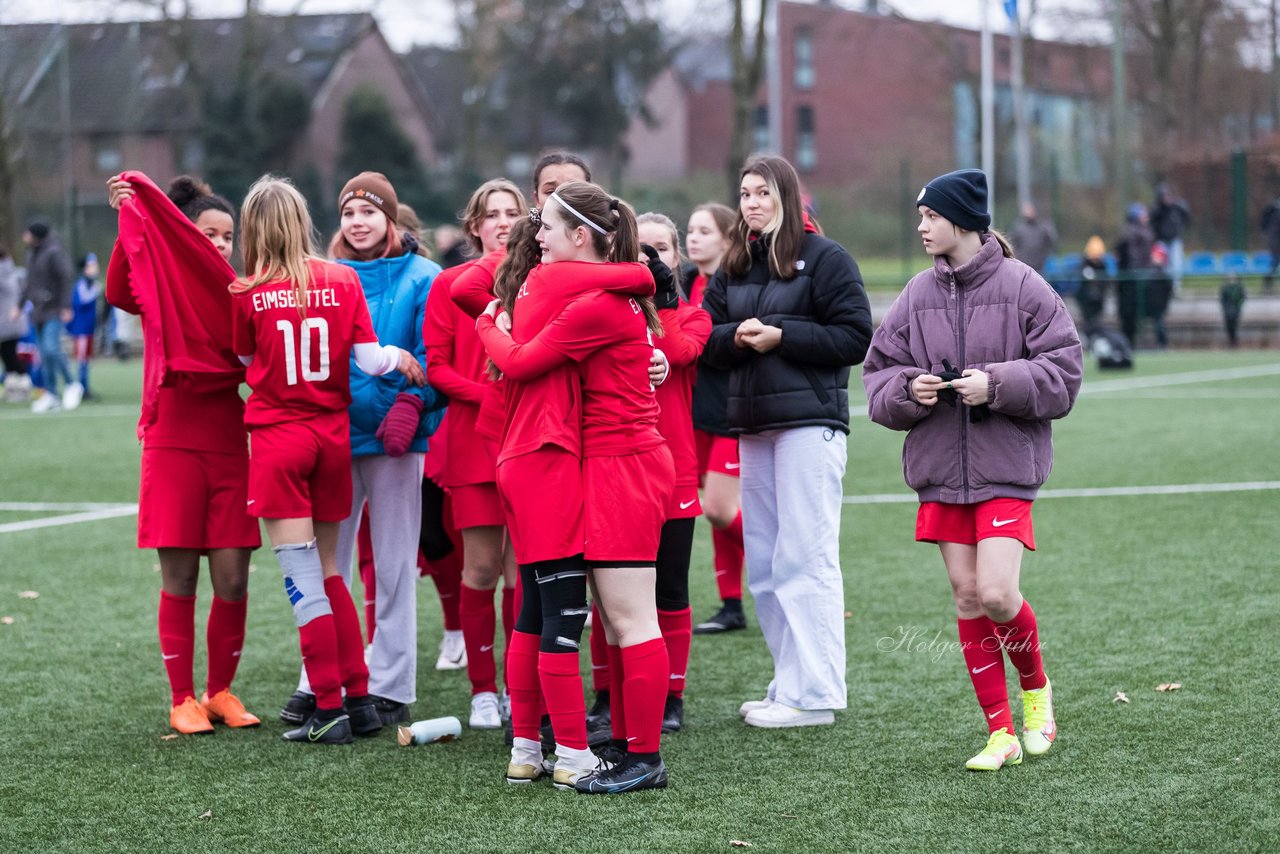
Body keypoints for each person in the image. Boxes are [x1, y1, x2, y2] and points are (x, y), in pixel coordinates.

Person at [863, 168, 1083, 772]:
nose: (921, 226)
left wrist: (999, 384)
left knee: (996, 591)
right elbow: (878, 378)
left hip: (1005, 467)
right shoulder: (914, 294)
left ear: (961, 220)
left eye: (930, 216)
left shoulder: (1025, 287)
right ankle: (1000, 732)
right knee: (966, 597)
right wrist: (912, 389)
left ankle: (1037, 696)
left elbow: (1064, 375)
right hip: (939, 472)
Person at [473, 186, 672, 794]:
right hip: (605, 462)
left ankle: (645, 758)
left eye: (549, 228)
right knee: (609, 616)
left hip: (626, 464)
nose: (537, 238)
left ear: (581, 236)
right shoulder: (603, 290)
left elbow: (523, 359)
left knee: (631, 616)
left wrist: (489, 322)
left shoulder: (595, 302)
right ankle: (618, 745)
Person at [229, 175, 425, 745]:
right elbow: (369, 358)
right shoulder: (341, 279)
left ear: (253, 230)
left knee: (301, 576)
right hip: (332, 438)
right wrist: (401, 358)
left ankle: (330, 704)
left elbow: (247, 361)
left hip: (279, 438)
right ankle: (360, 697)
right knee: (334, 569)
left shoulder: (245, 292)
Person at [701, 155, 872, 729]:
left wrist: (782, 336)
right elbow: (707, 336)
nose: (751, 202)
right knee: (768, 566)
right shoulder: (735, 264)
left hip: (808, 425)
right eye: (745, 193)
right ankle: (789, 683)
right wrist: (739, 340)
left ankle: (817, 694)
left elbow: (854, 337)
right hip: (753, 425)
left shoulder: (827, 258)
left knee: (807, 557)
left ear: (788, 197)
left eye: (762, 192)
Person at [279, 172, 445, 729]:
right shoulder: (322, 276)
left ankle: (392, 682)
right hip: (329, 435)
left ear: (391, 219)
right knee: (327, 565)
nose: (358, 222)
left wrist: (415, 404)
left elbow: (434, 357)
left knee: (395, 564)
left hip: (397, 439)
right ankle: (318, 677)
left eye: (369, 212)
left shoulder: (425, 276)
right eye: (349, 212)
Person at [105, 172, 262, 735]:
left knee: (233, 579)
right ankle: (181, 698)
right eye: (209, 234)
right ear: (185, 237)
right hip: (171, 439)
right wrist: (132, 226)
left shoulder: (239, 290)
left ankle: (219, 691)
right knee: (180, 579)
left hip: (228, 441)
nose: (220, 245)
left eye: (227, 236)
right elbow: (121, 291)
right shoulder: (164, 290)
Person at [423, 178, 528, 729]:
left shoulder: (540, 279)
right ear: (474, 226)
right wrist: (485, 393)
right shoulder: (450, 284)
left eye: (513, 212)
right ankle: (482, 690)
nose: (504, 222)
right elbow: (435, 365)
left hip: (531, 436)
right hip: (472, 438)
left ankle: (519, 685)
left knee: (522, 571)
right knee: (481, 568)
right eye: (492, 214)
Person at [637, 211, 711, 734]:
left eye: (661, 249)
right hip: (616, 467)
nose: (651, 258)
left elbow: (681, 353)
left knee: (669, 587)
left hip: (674, 467)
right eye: (641, 249)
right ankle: (608, 693)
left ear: (676, 258)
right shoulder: (607, 313)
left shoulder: (693, 316)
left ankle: (672, 695)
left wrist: (660, 305)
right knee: (614, 587)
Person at [684, 202, 747, 635]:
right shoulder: (687, 281)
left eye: (704, 231)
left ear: (727, 239)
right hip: (694, 411)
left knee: (721, 510)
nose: (693, 238)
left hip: (731, 410)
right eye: (690, 230)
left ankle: (790, 572)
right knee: (713, 515)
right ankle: (732, 605)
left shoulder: (739, 284)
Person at [22, 219, 78, 413]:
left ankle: (72, 384)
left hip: (54, 309)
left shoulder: (54, 252)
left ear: (35, 234)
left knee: (52, 348)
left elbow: (65, 278)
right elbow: (28, 283)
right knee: (44, 355)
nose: (25, 236)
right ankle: (52, 394)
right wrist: (19, 305)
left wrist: (66, 306)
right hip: (38, 312)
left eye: (27, 232)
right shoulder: (32, 255)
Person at [1115, 202, 1155, 346]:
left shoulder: (1138, 231)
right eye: (1143, 213)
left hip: (1136, 279)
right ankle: (1129, 343)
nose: (1146, 216)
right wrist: (1136, 271)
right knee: (1130, 315)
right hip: (1132, 281)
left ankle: (1133, 342)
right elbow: (1133, 256)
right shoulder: (1132, 233)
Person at [1, 244, 32, 402]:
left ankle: (23, 385)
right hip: (9, 320)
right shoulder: (10, 268)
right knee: (8, 355)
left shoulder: (3, 272)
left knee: (9, 356)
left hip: (7, 321)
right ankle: (14, 387)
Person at [68, 253, 101, 400]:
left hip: (89, 329)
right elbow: (80, 303)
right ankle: (81, 389)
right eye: (91, 266)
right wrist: (95, 292)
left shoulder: (91, 285)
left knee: (86, 361)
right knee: (82, 361)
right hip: (80, 329)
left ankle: (85, 387)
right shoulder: (81, 285)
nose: (95, 269)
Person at [1151, 183, 1190, 292]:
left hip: (1175, 240)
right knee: (1162, 266)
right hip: (1161, 241)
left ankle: (1175, 288)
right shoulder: (1157, 210)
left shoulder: (1177, 207)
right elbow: (1153, 223)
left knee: (1176, 264)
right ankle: (1164, 288)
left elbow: (1185, 218)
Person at [1009, 202, 1057, 276]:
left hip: (1040, 266)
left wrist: (1044, 256)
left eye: (1031, 210)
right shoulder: (1019, 227)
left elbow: (1051, 243)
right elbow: (1012, 244)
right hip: (1023, 265)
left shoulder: (1044, 227)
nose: (1029, 212)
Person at [1075, 235, 1108, 340]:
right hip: (1086, 298)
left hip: (1098, 298)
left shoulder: (1102, 265)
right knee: (1088, 320)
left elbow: (1105, 283)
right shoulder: (1084, 264)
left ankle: (1095, 338)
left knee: (1096, 320)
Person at [1220, 274, 1246, 348]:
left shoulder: (1239, 288)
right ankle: (1230, 341)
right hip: (1227, 310)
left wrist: (1239, 306)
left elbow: (1242, 298)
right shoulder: (1225, 288)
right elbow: (1222, 300)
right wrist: (1225, 308)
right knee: (1228, 326)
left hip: (1235, 310)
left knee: (1235, 326)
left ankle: (1234, 342)